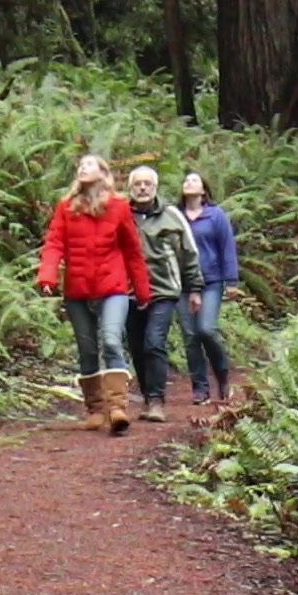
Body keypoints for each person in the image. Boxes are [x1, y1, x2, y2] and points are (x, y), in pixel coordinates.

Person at [36, 154, 149, 435]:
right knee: (87, 350)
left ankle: (117, 408)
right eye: (80, 166)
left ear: (103, 173)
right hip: (78, 289)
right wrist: (47, 275)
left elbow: (133, 251)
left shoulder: (119, 207)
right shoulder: (66, 207)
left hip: (113, 287)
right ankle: (96, 409)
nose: (82, 168)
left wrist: (143, 290)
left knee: (111, 340)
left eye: (89, 164)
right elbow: (54, 244)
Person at [124, 167, 198, 424]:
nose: (142, 188)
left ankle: (157, 400)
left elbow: (189, 253)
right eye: (138, 184)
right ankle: (147, 396)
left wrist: (195, 288)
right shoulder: (121, 215)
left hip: (163, 291)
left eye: (147, 184)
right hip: (129, 292)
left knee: (154, 342)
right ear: (130, 188)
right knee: (136, 346)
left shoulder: (172, 216)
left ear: (155, 187)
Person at [177, 172, 241, 411]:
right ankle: (200, 388)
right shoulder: (176, 216)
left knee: (206, 329)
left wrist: (231, 281)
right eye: (186, 181)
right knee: (190, 336)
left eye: (194, 180)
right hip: (182, 284)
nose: (189, 183)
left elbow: (227, 248)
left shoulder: (216, 216)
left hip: (211, 281)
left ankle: (222, 376)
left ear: (204, 189)